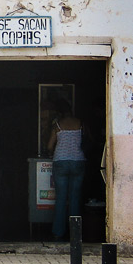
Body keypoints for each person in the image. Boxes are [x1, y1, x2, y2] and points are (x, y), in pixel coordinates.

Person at [47, 99, 86, 240]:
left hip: (60, 161)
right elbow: (88, 140)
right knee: (75, 198)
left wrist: (50, 152)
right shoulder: (80, 123)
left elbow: (50, 145)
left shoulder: (57, 124)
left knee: (61, 198)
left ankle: (58, 232)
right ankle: (75, 234)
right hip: (78, 161)